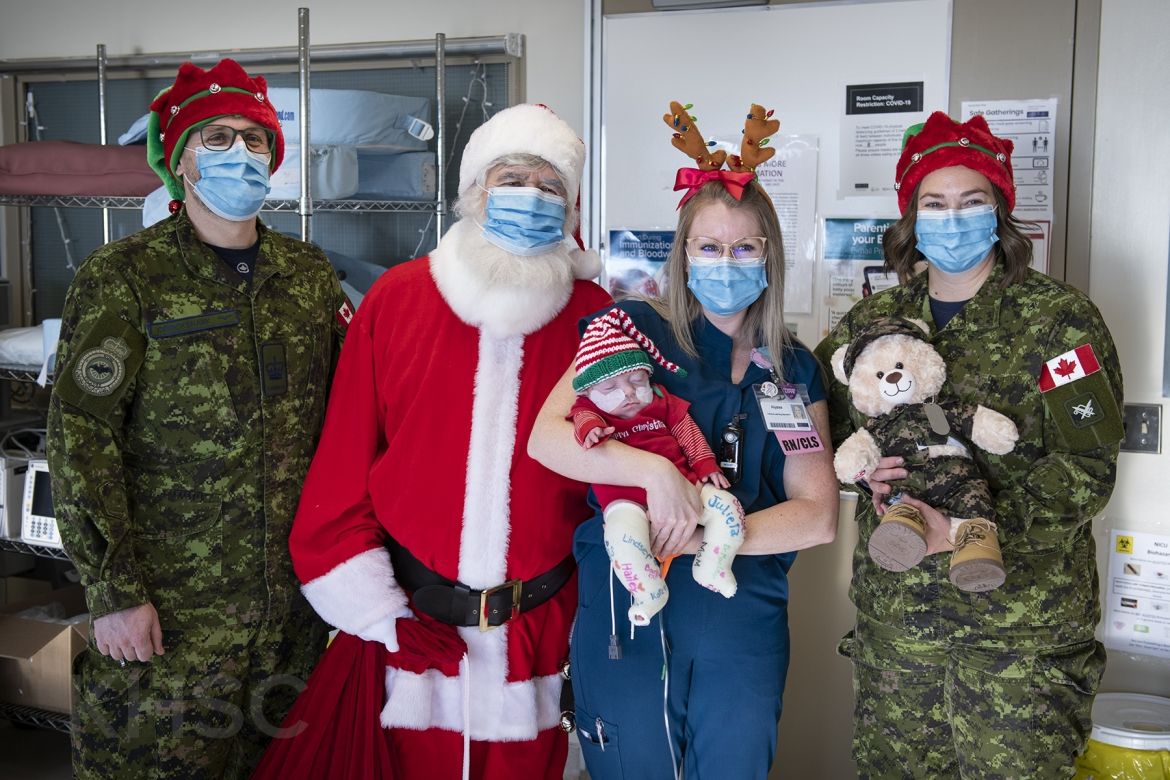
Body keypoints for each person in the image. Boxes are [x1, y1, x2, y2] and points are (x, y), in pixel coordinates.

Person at [259, 104, 611, 780]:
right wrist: (381, 616)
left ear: (570, 208)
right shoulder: (396, 302)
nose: (531, 197)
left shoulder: (597, 319)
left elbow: (615, 484)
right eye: (513, 178)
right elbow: (342, 470)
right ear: (476, 191)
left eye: (549, 186)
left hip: (540, 642)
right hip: (412, 636)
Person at [46, 58, 349, 779]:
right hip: (172, 620)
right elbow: (80, 436)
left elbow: (351, 417)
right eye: (216, 138)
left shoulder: (306, 277)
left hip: (291, 619)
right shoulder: (125, 276)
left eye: (253, 138)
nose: (239, 153)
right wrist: (114, 591)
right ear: (179, 161)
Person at [528, 102, 839, 780]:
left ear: (770, 257)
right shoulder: (632, 328)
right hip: (630, 596)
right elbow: (547, 440)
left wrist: (706, 539)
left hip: (740, 609)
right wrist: (653, 472)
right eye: (709, 247)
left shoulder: (793, 366)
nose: (726, 261)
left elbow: (816, 515)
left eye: (744, 248)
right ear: (684, 255)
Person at [814, 111, 1124, 778]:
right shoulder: (871, 324)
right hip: (901, 643)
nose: (952, 218)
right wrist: (862, 474)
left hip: (1020, 647)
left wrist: (965, 528)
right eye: (934, 203)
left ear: (1000, 211)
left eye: (971, 202)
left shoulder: (1060, 322)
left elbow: (1087, 469)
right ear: (911, 218)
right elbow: (826, 426)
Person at [569, 306, 745, 625]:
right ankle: (649, 591)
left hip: (684, 487)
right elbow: (580, 423)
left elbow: (687, 430)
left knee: (729, 509)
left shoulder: (661, 400)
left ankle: (714, 565)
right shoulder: (589, 410)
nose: (628, 393)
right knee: (622, 541)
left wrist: (705, 464)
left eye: (637, 380)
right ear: (589, 393)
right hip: (625, 502)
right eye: (610, 388)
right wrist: (589, 430)